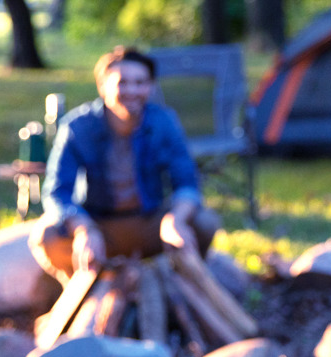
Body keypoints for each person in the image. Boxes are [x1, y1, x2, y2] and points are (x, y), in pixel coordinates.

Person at [29, 47, 222, 283]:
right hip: (99, 225)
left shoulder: (164, 121)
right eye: (123, 83)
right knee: (46, 235)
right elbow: (57, 192)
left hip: (149, 221)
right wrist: (84, 229)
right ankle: (83, 288)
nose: (132, 91)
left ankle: (181, 284)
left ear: (150, 87)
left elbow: (188, 184)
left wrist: (175, 220)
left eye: (140, 83)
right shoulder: (78, 127)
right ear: (102, 87)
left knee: (205, 221)